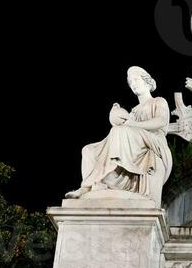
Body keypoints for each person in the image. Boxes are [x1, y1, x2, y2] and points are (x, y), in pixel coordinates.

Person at [67, 67, 173, 203]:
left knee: (118, 131)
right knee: (88, 150)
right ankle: (86, 186)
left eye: (136, 80)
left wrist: (130, 123)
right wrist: (118, 114)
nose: (133, 84)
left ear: (147, 82)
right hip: (133, 140)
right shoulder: (134, 111)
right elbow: (125, 126)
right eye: (130, 82)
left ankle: (104, 175)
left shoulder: (158, 101)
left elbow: (161, 121)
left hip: (153, 140)